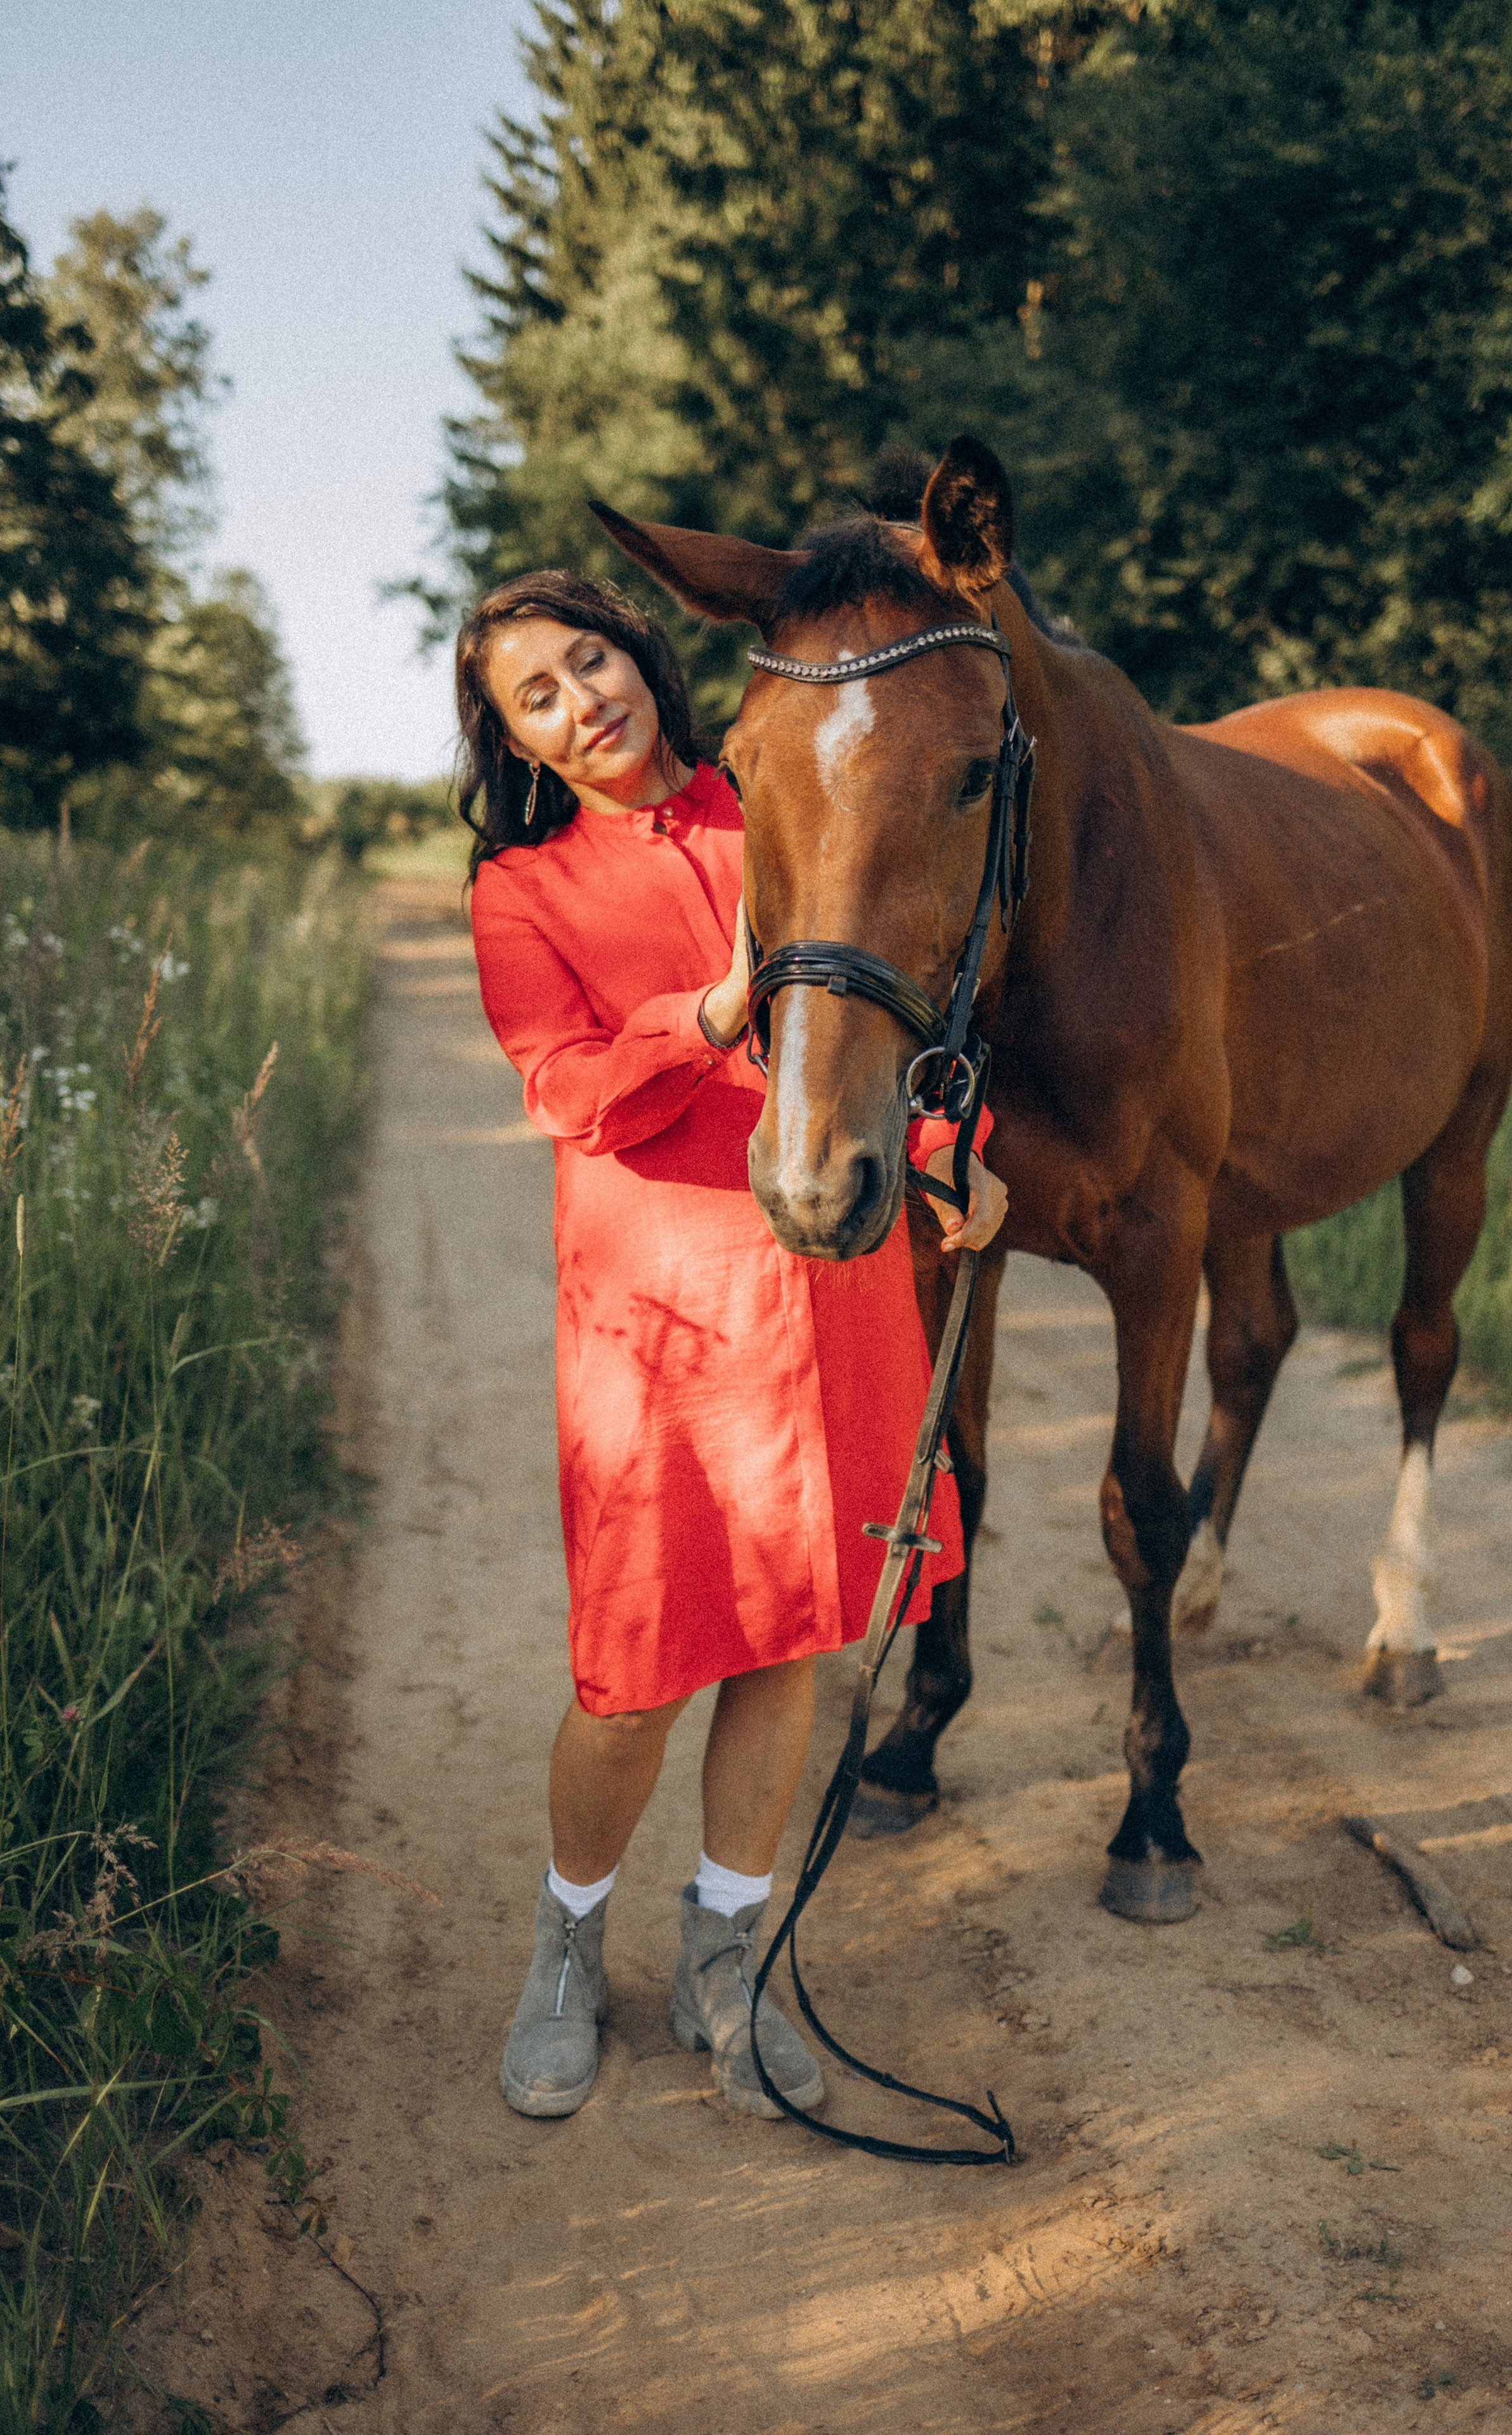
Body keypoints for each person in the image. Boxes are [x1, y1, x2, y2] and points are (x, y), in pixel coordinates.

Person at [458, 569, 1007, 2123]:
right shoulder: (525, 891)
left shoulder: (781, 784)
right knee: (633, 1671)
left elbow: (903, 999)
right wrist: (708, 1015)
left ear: (642, 654)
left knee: (791, 1638)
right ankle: (568, 1945)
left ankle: (725, 1948)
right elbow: (568, 1094)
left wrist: (955, 1143)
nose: (584, 700)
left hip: (831, 1293)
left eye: (593, 659)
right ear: (517, 741)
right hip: (663, 1317)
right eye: (538, 696)